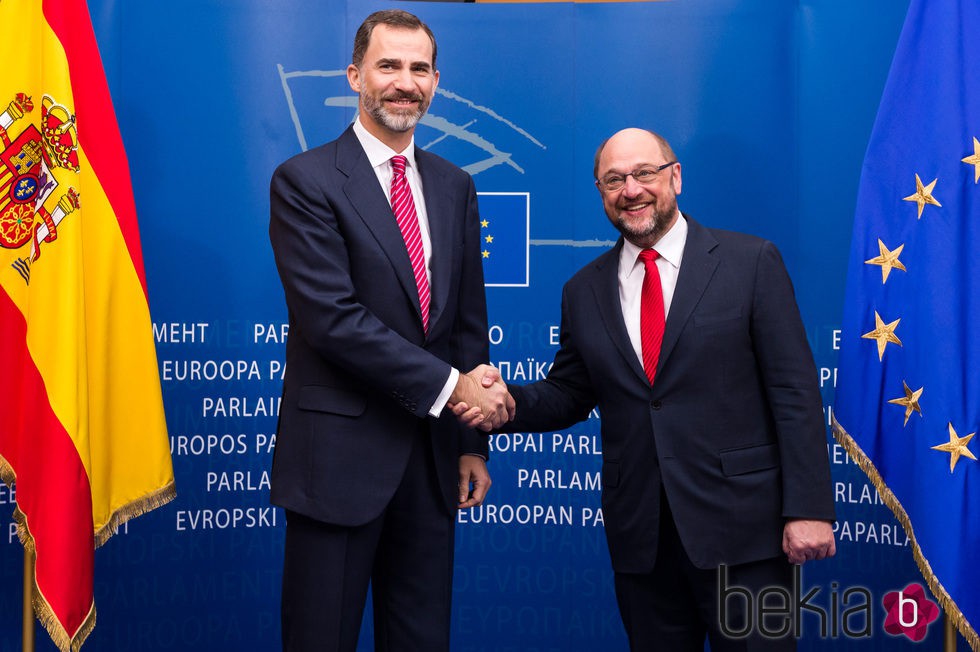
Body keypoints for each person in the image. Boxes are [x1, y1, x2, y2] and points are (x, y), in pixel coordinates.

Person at [458, 127, 836, 650]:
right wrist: (506, 402)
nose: (630, 189)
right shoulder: (583, 290)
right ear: (601, 193)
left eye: (644, 173)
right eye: (614, 180)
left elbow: (795, 394)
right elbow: (569, 392)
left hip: (746, 538)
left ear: (675, 177)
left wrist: (809, 508)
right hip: (643, 542)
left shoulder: (751, 263)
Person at [268, 10, 512, 652]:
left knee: (420, 639)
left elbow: (465, 321)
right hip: (337, 464)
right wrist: (457, 385)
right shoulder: (305, 181)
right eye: (389, 66)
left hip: (431, 464)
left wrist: (470, 442)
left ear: (436, 83)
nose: (405, 82)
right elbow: (334, 321)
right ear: (355, 76)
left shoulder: (456, 186)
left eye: (419, 69)